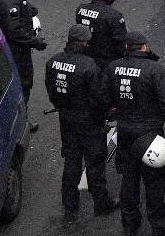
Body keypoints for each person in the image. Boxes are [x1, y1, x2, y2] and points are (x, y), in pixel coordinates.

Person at [109, 31, 165, 236]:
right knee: (155, 179)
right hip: (149, 133)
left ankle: (130, 222)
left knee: (129, 177)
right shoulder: (154, 69)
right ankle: (159, 222)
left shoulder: (113, 67)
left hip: (125, 130)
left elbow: (105, 96)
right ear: (143, 47)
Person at [44, 24, 118, 215]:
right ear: (85, 42)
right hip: (90, 122)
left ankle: (70, 202)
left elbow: (51, 90)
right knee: (95, 163)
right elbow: (100, 97)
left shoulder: (53, 62)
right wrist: (109, 113)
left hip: (66, 118)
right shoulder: (89, 66)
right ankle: (101, 203)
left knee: (71, 160)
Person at [77, 0, 129, 71]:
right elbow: (120, 39)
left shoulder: (80, 9)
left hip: (87, 52)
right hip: (108, 57)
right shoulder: (113, 15)